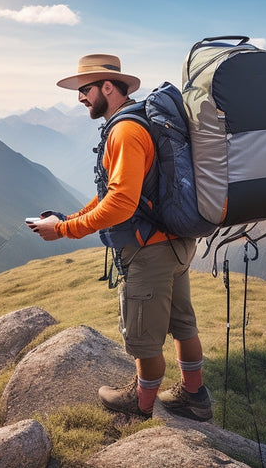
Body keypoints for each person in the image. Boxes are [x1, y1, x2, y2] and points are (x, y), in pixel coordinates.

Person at [27, 54, 212, 421]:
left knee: (144, 337)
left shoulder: (125, 132)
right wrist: (69, 217)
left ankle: (140, 406)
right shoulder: (141, 121)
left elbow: (122, 205)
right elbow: (117, 191)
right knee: (182, 323)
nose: (80, 98)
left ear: (107, 88)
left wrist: (64, 231)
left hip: (148, 251)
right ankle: (194, 395)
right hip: (176, 241)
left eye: (84, 90)